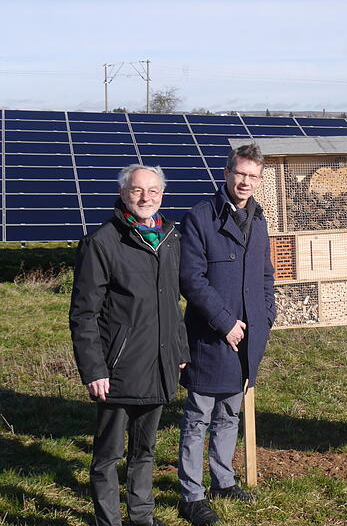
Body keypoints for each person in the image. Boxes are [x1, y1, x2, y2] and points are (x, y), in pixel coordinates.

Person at [70, 165, 189, 526]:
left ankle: (142, 518)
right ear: (123, 194)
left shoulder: (170, 238)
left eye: (153, 191)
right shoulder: (102, 243)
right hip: (117, 371)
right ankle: (109, 521)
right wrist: (94, 369)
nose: (145, 198)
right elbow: (83, 314)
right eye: (137, 191)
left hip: (159, 364)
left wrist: (179, 351)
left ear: (162, 196)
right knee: (108, 456)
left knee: (145, 451)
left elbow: (172, 304)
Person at [177, 143, 276, 526]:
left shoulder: (259, 219)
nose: (245, 182)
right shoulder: (200, 218)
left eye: (253, 176)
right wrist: (225, 323)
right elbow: (191, 279)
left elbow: (265, 276)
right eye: (240, 174)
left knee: (230, 413)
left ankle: (222, 480)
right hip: (209, 336)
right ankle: (191, 494)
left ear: (259, 179)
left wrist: (266, 316)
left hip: (248, 337)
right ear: (226, 173)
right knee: (198, 416)